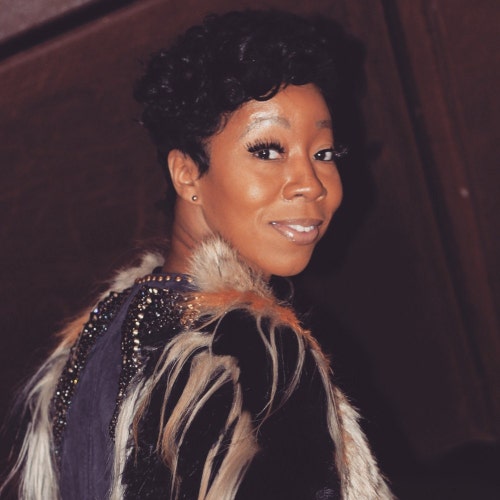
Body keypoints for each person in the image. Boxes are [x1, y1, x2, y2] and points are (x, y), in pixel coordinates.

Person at [3, 10, 392, 500]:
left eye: (324, 153)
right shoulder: (251, 355)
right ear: (187, 173)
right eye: (268, 150)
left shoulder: (101, 336)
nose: (311, 184)